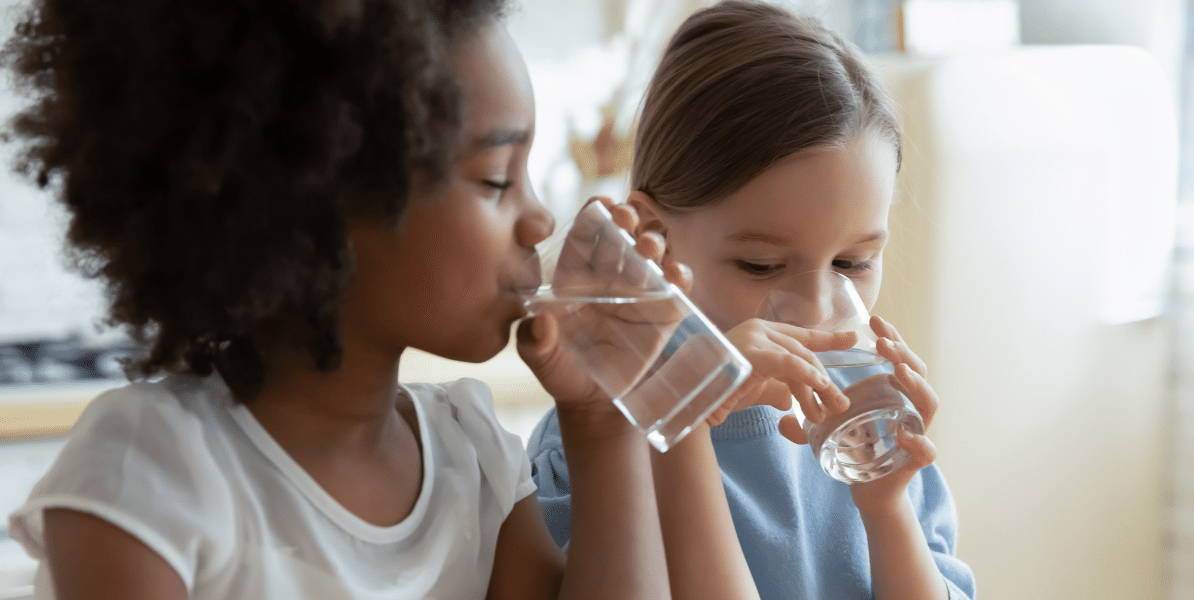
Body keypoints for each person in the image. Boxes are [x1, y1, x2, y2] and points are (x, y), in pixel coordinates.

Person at [4, 1, 763, 598]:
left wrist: (601, 425)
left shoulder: (473, 458)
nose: (539, 218)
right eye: (497, 179)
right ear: (319, 202)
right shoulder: (154, 476)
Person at [528, 2, 978, 599]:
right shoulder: (596, 444)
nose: (818, 307)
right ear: (651, 241)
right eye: (761, 265)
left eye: (852, 263)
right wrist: (682, 407)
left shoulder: (876, 448)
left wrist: (887, 507)